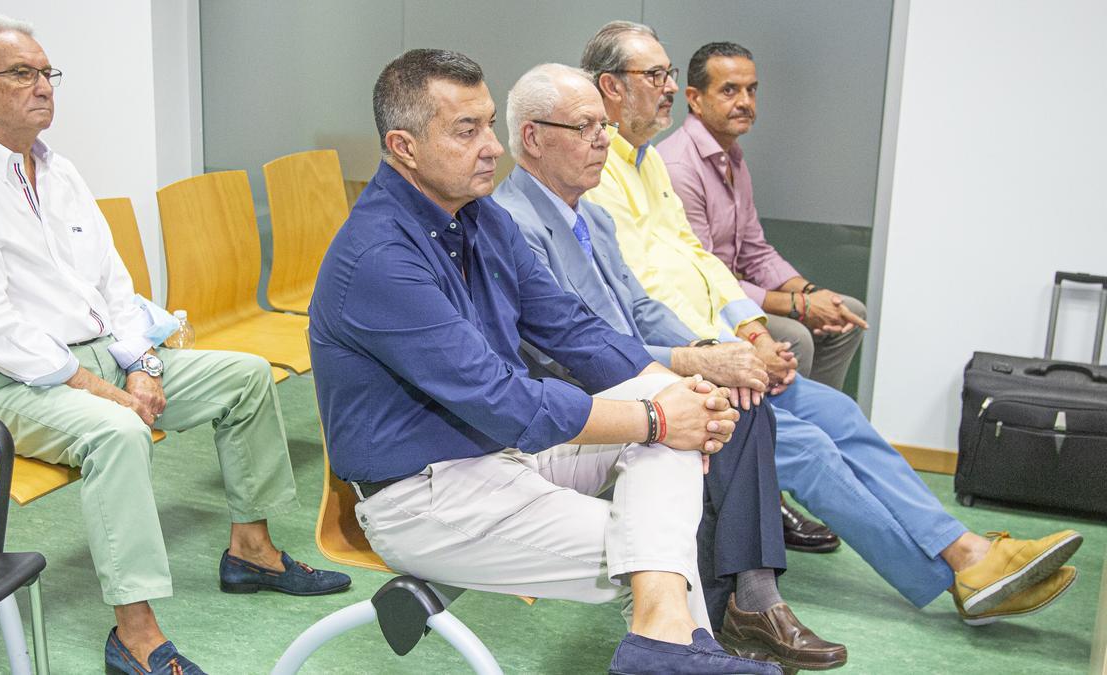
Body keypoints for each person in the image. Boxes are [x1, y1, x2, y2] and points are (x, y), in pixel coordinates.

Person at [580, 20, 1081, 626]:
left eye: (667, 73)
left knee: (838, 414)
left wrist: (754, 330)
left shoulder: (648, 163)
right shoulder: (597, 171)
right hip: (682, 364)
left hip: (725, 346)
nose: (666, 86)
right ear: (610, 87)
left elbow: (701, 259)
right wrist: (725, 347)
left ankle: (967, 552)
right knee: (813, 450)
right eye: (654, 75)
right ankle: (952, 571)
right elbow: (639, 301)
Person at [309, 47, 782, 675]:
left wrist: (680, 395)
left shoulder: (479, 219)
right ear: (404, 146)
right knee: (658, 553)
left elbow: (572, 327)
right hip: (424, 497)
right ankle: (673, 645)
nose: (493, 147)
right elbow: (501, 399)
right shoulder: (377, 259)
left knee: (671, 453)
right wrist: (657, 418)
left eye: (487, 124)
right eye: (466, 130)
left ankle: (664, 645)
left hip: (502, 457)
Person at [0, 17, 349, 674]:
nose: (43, 87)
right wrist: (107, 391)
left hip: (100, 358)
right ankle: (134, 631)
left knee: (247, 375)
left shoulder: (61, 172)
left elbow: (113, 285)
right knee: (117, 431)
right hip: (3, 382)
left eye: (46, 73)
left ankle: (251, 549)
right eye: (21, 74)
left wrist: (141, 363)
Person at [493, 62, 847, 671]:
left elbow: (639, 306)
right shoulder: (515, 224)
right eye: (585, 128)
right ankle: (728, 611)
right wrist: (696, 366)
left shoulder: (591, 215)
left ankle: (730, 611)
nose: (604, 140)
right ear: (532, 137)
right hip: (577, 393)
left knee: (734, 395)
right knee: (718, 403)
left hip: (630, 370)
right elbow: (563, 351)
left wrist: (712, 351)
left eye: (604, 127)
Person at [657, 42, 867, 392]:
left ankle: (819, 415)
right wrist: (799, 306)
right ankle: (786, 431)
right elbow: (704, 277)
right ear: (693, 98)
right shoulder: (679, 166)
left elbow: (755, 250)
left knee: (848, 311)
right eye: (729, 90)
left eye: (751, 90)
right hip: (705, 307)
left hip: (735, 292)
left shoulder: (732, 157)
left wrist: (811, 292)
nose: (745, 102)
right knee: (796, 336)